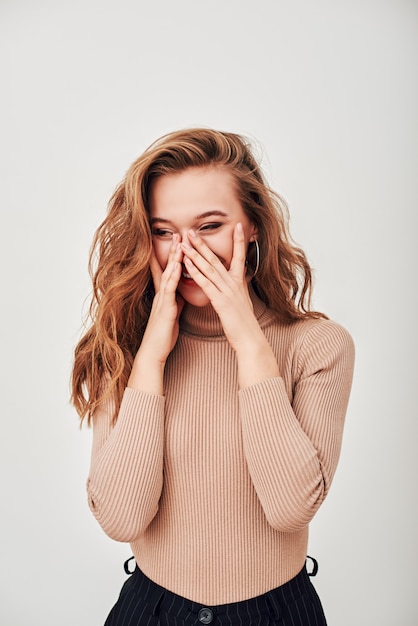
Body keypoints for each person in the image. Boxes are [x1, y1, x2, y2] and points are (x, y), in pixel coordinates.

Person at [71, 128, 354, 625]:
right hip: (152, 608)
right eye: (164, 232)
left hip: (276, 611)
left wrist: (247, 338)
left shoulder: (319, 347)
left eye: (210, 226)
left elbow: (291, 507)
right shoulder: (124, 346)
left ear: (254, 227)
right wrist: (151, 360)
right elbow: (120, 518)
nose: (187, 252)